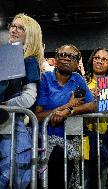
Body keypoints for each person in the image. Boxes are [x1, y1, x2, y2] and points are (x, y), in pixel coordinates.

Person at [35, 44, 97, 188]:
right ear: (55, 59)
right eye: (62, 55)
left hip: (69, 144)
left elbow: (93, 105)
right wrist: (67, 105)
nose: (66, 59)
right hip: (43, 143)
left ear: (77, 63)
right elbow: (38, 116)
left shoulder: (78, 79)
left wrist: (68, 111)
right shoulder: (45, 78)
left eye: (71, 56)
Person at [0, 13, 44, 188]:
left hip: (12, 126)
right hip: (5, 126)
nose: (14, 29)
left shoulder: (29, 61)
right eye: (12, 25)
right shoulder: (3, 58)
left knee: (10, 177)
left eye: (20, 27)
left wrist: (4, 106)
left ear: (30, 34)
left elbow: (28, 98)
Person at [83, 47, 108, 189]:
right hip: (84, 133)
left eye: (104, 59)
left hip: (105, 134)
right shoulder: (81, 80)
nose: (100, 61)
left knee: (102, 176)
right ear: (92, 60)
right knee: (85, 176)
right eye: (97, 58)